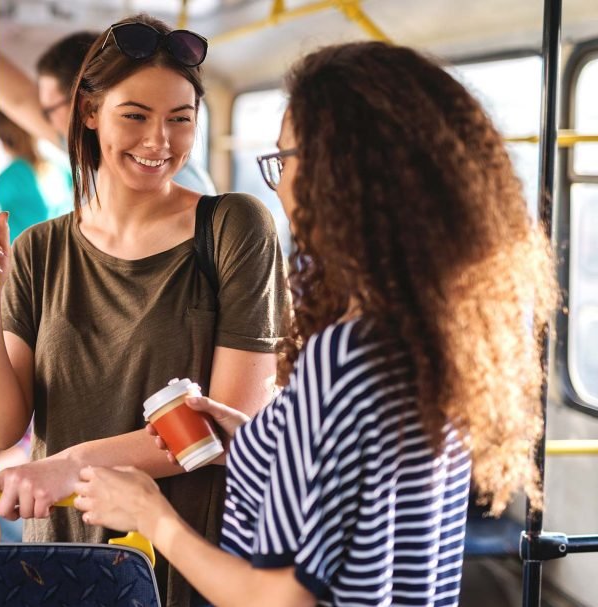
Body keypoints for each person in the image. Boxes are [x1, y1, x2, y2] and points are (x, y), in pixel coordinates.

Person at [71, 41, 558, 606]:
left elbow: (279, 599)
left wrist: (149, 516)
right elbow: (357, 489)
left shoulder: (345, 355)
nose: (282, 185)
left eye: (288, 158)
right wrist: (254, 437)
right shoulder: (424, 340)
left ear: (343, 173)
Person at [0, 15, 292, 606]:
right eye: (135, 116)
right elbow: (2, 428)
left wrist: (68, 466)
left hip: (190, 555)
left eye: (180, 120)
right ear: (88, 113)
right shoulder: (40, 251)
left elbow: (230, 420)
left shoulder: (235, 228)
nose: (160, 142)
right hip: (61, 551)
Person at [0, 3, 217, 195]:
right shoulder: (97, 158)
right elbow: (18, 99)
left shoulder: (175, 184)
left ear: (86, 105)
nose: (158, 140)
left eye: (179, 118)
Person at [0, 111, 73, 241]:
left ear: (3, 140)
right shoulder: (59, 168)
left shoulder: (14, 174)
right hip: (58, 244)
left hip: (23, 249)